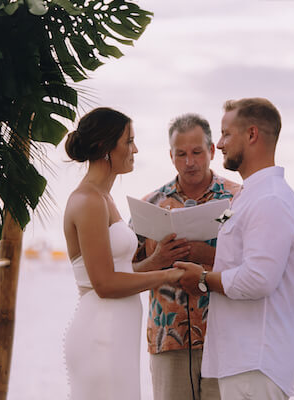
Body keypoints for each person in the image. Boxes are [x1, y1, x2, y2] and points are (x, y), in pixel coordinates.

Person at [176, 98, 294, 400]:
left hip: (257, 363)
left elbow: (258, 279)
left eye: (226, 134)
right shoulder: (247, 195)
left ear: (252, 135)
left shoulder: (271, 200)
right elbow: (233, 253)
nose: (220, 144)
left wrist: (202, 279)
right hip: (242, 361)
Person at [62, 107, 186, 400]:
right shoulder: (88, 201)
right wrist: (166, 275)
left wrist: (157, 261)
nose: (136, 149)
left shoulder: (104, 198)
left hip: (117, 332)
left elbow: (117, 272)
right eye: (129, 141)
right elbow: (104, 285)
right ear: (106, 147)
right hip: (101, 333)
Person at [133, 113, 240, 400]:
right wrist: (158, 259)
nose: (189, 162)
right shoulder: (151, 204)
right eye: (181, 154)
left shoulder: (238, 198)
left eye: (196, 152)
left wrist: (209, 254)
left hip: (226, 337)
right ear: (171, 156)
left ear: (211, 152)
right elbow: (127, 275)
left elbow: (254, 268)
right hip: (169, 341)